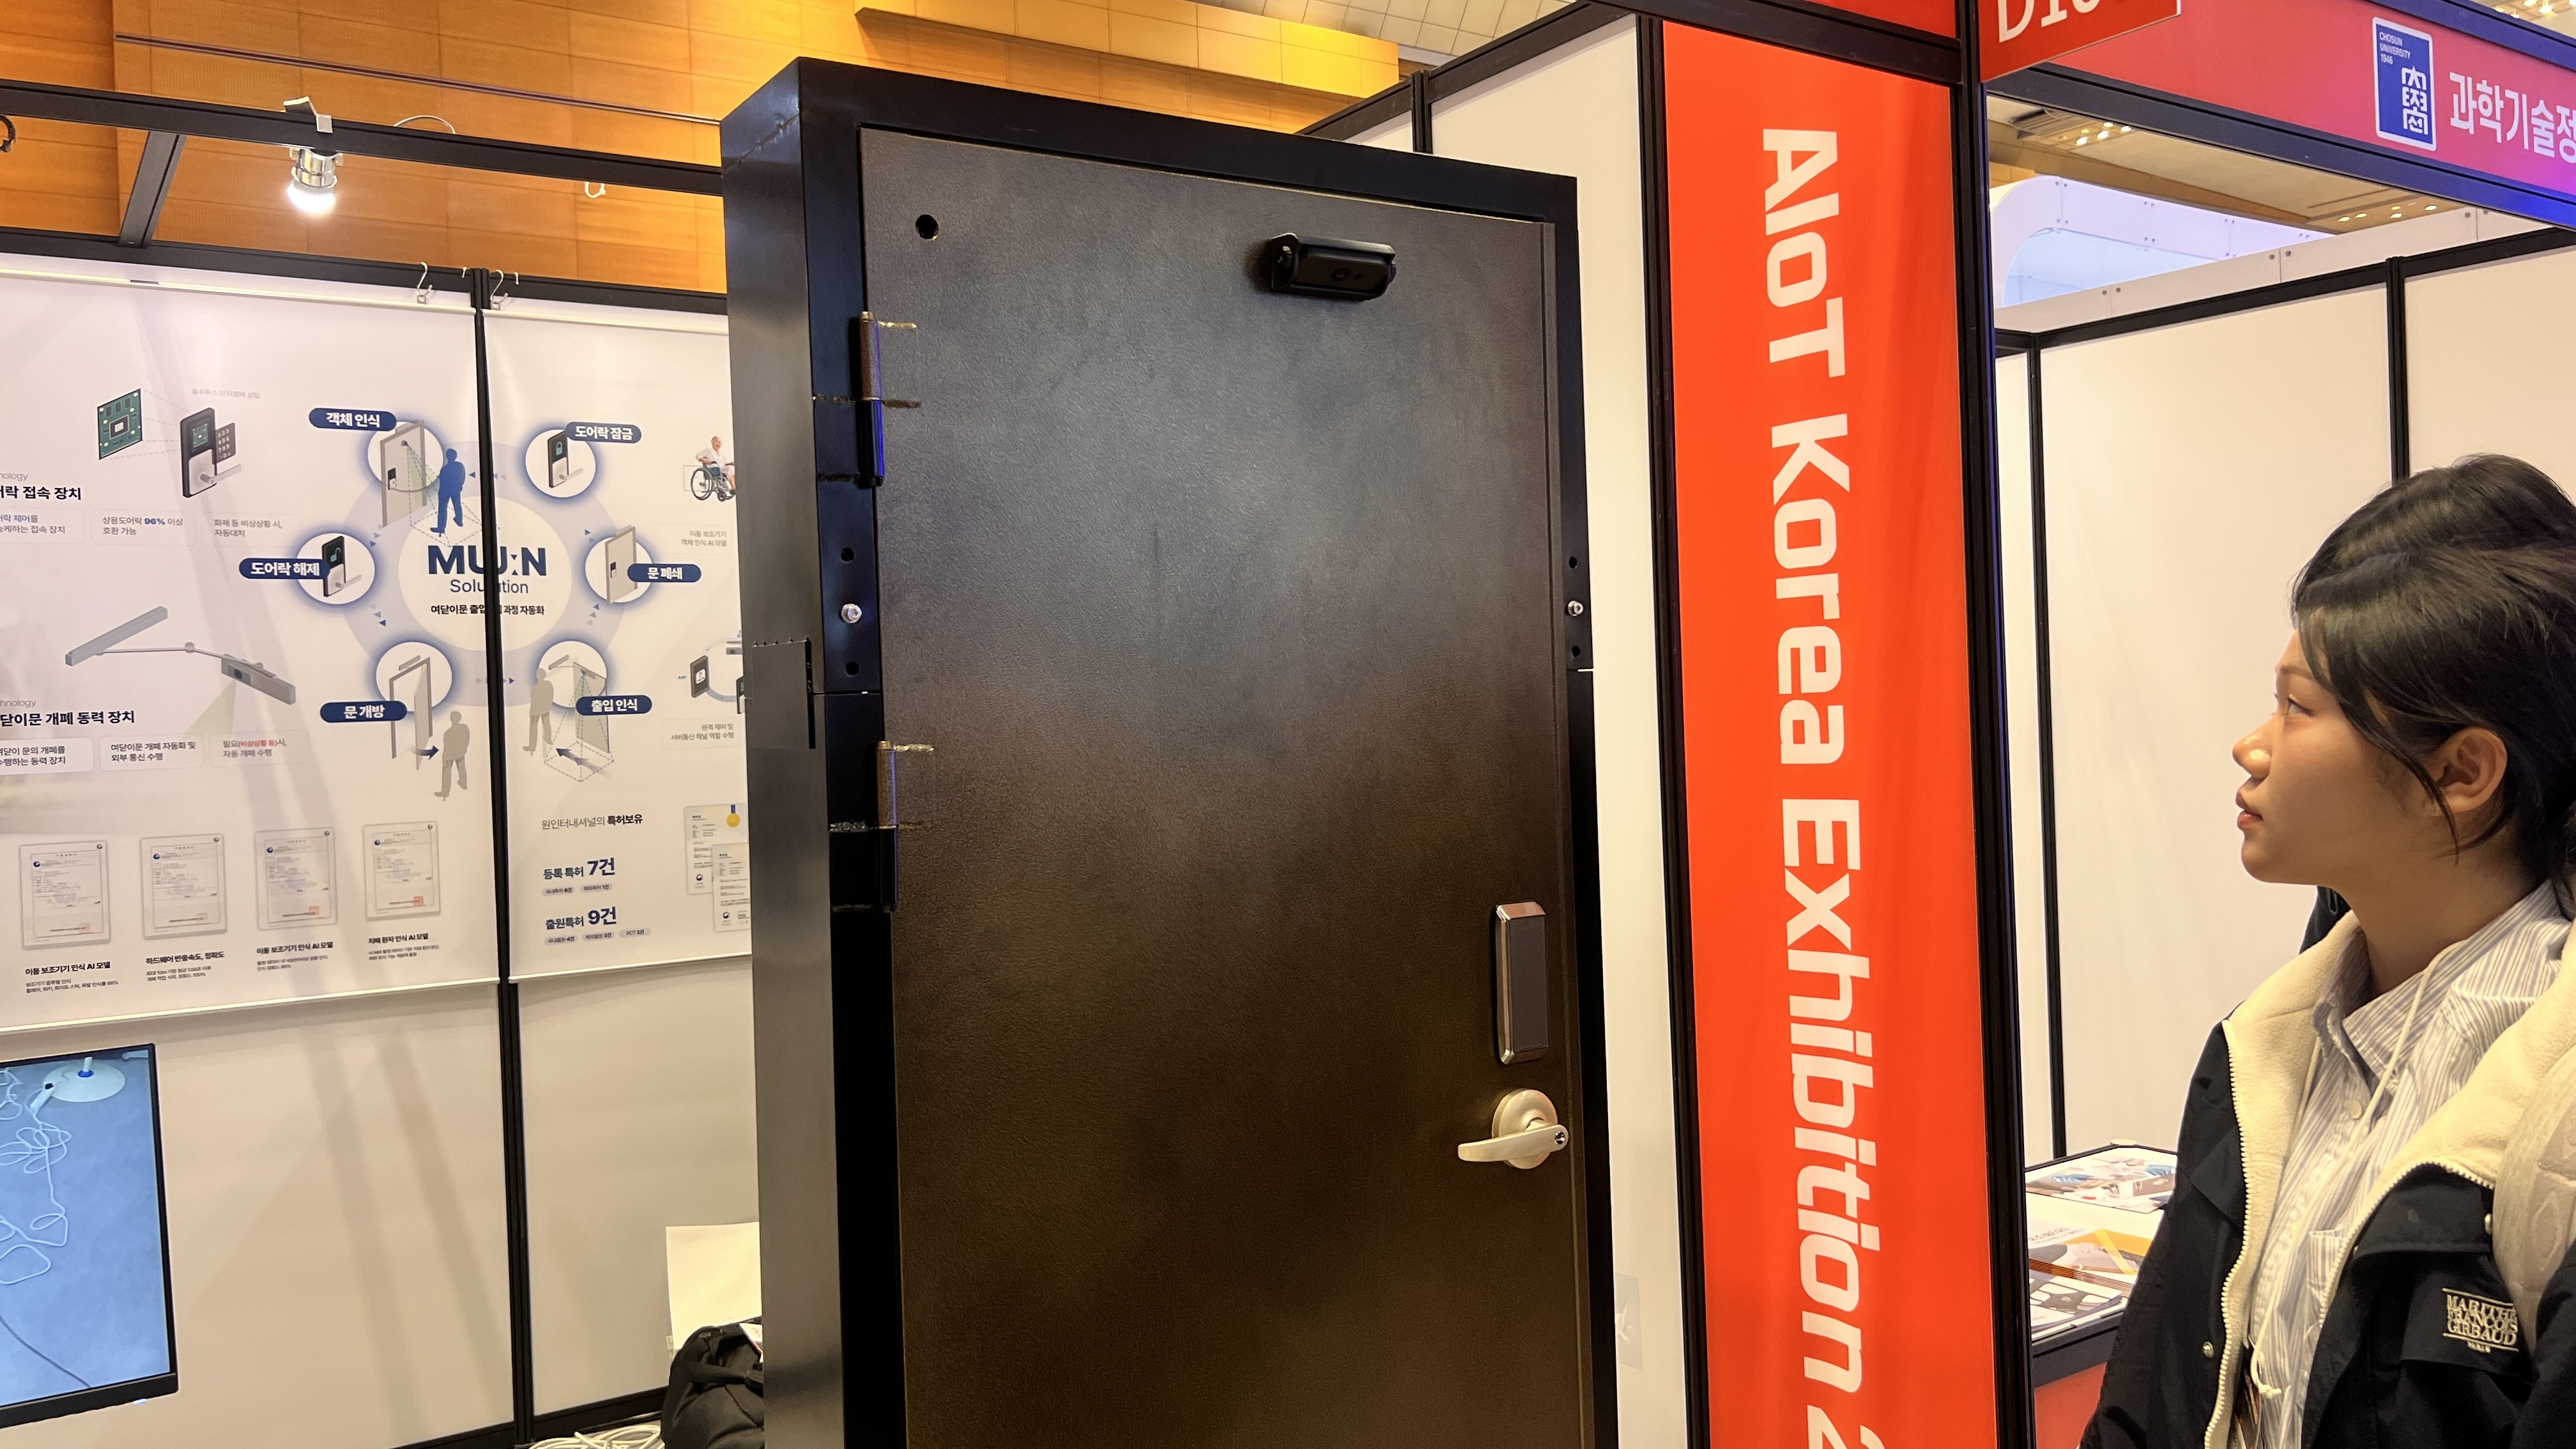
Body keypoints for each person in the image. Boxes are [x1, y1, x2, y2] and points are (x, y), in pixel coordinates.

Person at [2087, 455, 2576, 1447]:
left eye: (2298, 706)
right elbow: (2158, 1397)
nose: (2252, 746)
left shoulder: (2550, 1112)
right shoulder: (2262, 1051)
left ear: (2463, 772)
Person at [434, 447, 468, 535]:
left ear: (447, 456)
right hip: (455, 490)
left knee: (443, 508)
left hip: (446, 491)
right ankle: (459, 520)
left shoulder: (446, 469)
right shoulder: (459, 466)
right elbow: (462, 477)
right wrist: (460, 486)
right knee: (457, 505)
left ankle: (441, 527)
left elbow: (442, 480)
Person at [436, 711, 470, 799]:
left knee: (447, 773)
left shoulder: (448, 733)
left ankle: (445, 792)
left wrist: (444, 758)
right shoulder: (464, 728)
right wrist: (464, 749)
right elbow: (467, 739)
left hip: (450, 756)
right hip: (460, 753)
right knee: (461, 768)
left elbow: (447, 747)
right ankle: (463, 784)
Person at [526, 668, 556, 755]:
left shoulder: (545, 685)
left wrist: (548, 705)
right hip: (537, 710)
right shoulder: (536, 687)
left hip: (540, 709)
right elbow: (533, 700)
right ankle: (533, 746)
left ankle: (545, 740)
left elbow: (550, 695)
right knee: (536, 727)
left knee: (542, 725)